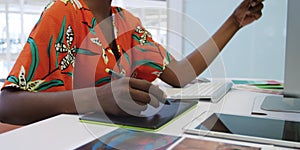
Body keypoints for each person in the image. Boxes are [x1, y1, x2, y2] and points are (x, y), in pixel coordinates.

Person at [0, 0, 264, 125]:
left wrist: (234, 23)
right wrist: (96, 98)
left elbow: (179, 74)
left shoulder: (128, 24)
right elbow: (7, 104)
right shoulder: (62, 11)